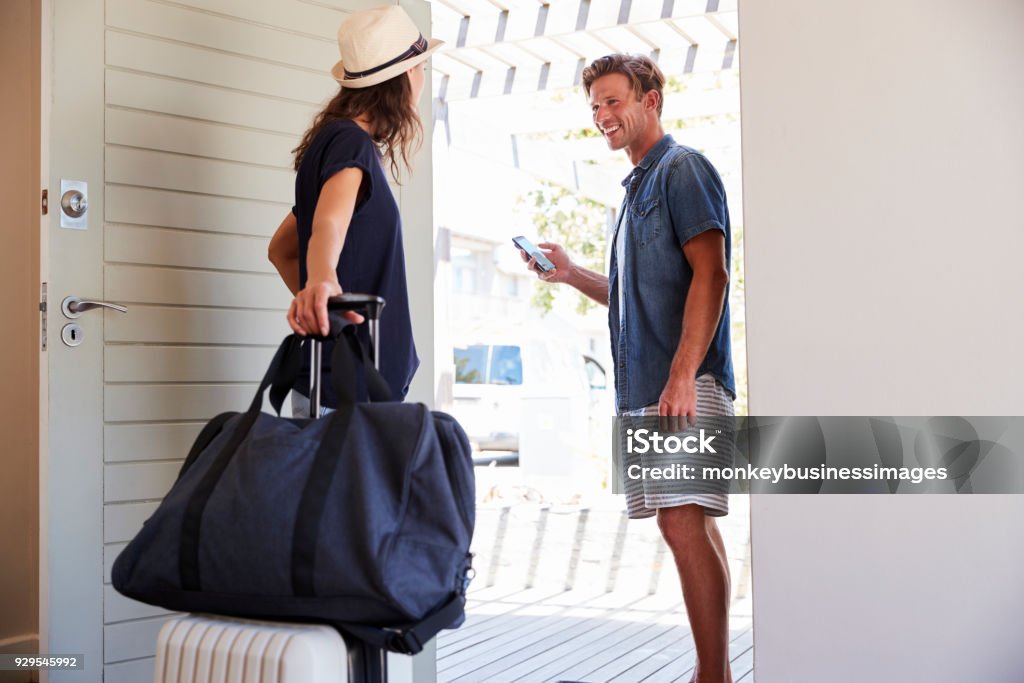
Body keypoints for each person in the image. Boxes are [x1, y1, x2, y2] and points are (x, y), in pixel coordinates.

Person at [522, 54, 736, 683]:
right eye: (594, 107)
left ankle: (712, 675)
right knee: (684, 522)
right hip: (650, 386)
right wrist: (569, 274)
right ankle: (715, 670)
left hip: (682, 383)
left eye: (613, 101)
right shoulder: (635, 189)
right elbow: (633, 297)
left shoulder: (682, 168)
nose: (602, 116)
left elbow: (713, 272)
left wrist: (681, 377)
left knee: (679, 519)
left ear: (652, 101)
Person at [267, 6, 442, 416]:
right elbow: (329, 221)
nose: (421, 79)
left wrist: (326, 315)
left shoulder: (332, 144)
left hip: (342, 384)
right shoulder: (351, 146)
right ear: (402, 79)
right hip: (352, 391)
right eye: (420, 68)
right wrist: (323, 281)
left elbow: (283, 249)